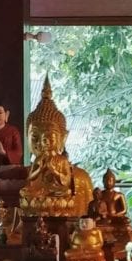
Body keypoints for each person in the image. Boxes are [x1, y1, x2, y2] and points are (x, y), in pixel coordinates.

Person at [19, 77, 93, 217]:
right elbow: (30, 182)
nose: (42, 143)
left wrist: (54, 171)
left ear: (63, 138)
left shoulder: (78, 176)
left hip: (61, 199)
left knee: (70, 191)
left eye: (49, 137)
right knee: (26, 194)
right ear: (26, 137)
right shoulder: (29, 168)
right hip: (39, 200)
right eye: (35, 137)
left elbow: (66, 181)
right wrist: (40, 169)